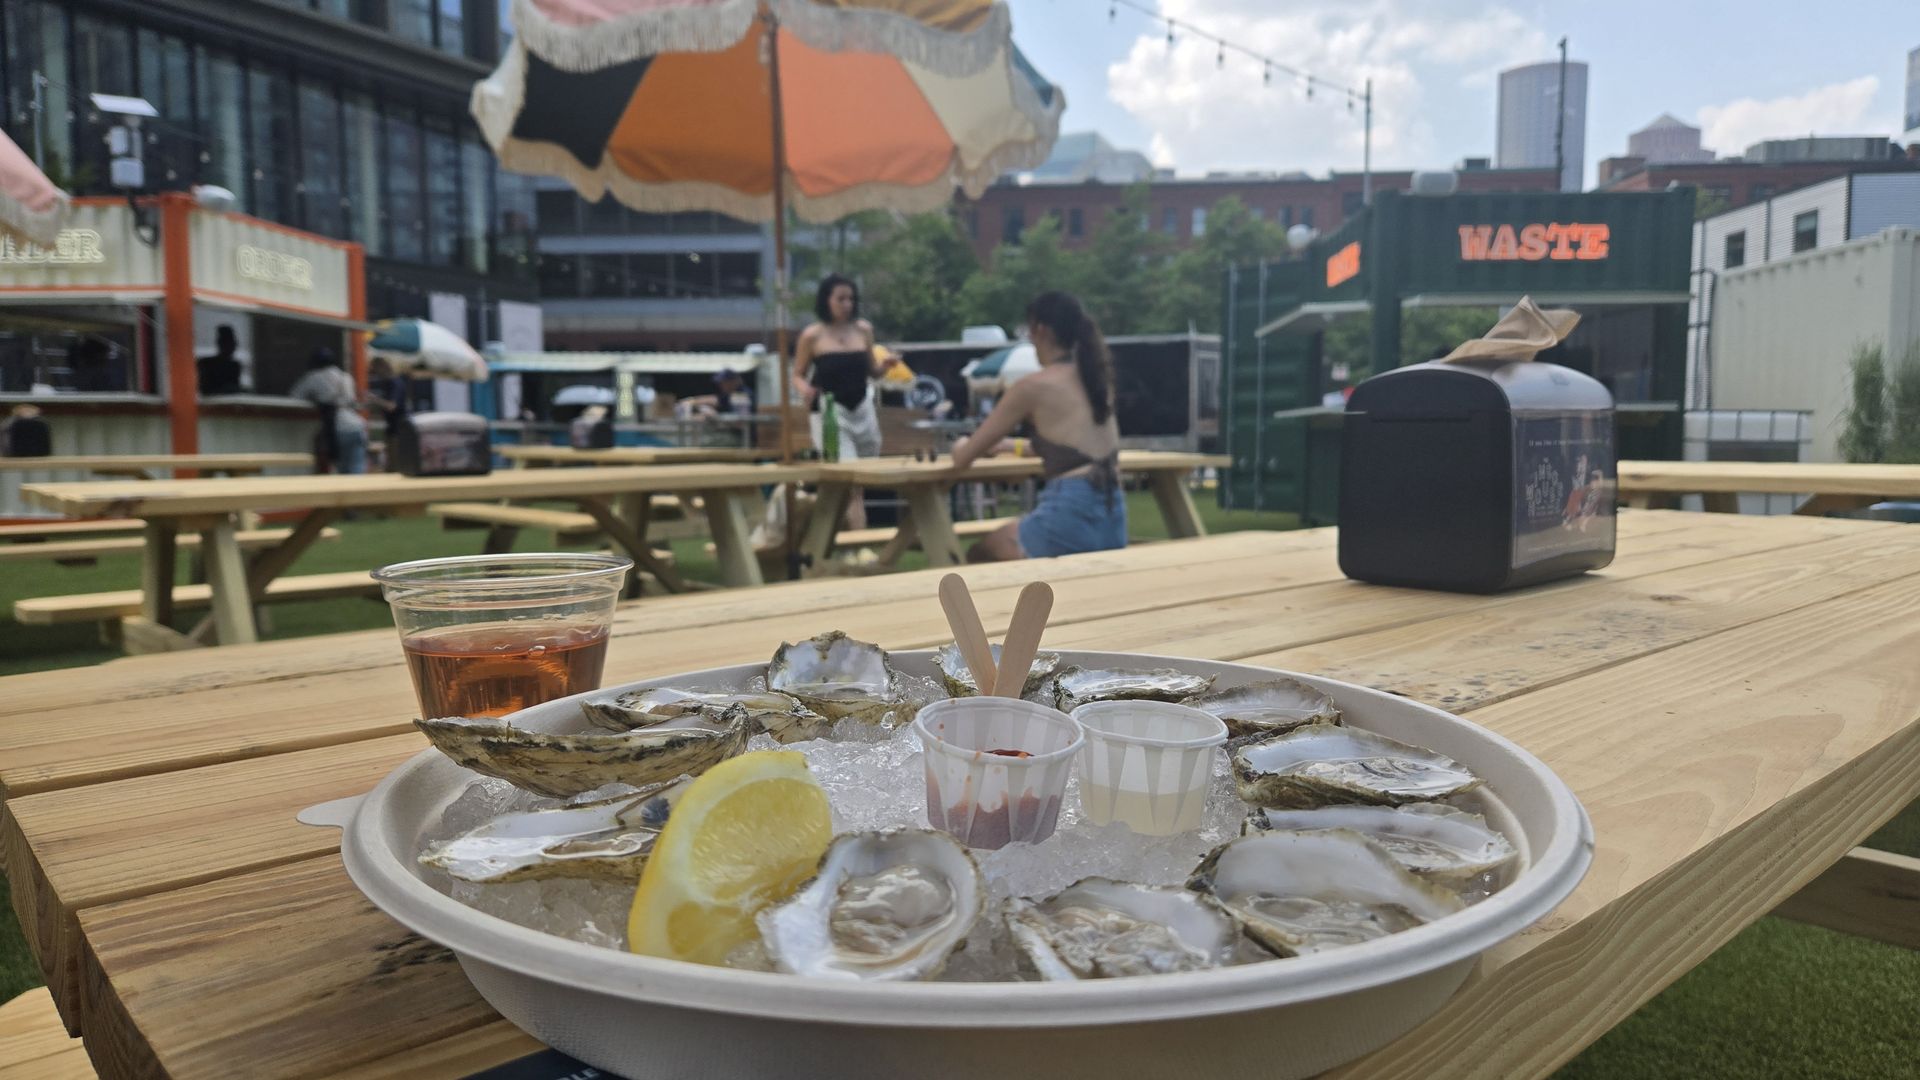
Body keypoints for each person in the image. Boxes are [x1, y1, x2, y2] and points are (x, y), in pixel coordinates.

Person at [951, 291, 1125, 562]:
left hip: (1070, 508)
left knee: (983, 552)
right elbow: (1075, 449)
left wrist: (959, 444)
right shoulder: (1097, 380)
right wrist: (1011, 445)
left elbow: (963, 458)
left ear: (1039, 330)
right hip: (1113, 507)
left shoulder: (1032, 387)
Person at [793, 274, 899, 529]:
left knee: (861, 479)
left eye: (851, 299)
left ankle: (832, 533)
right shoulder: (812, 336)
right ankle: (857, 541)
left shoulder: (863, 330)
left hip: (862, 409)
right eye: (840, 299)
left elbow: (872, 371)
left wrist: (885, 366)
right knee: (851, 481)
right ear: (826, 300)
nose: (847, 304)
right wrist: (805, 389)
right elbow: (797, 374)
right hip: (830, 413)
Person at [288, 347, 368, 474]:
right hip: (357, 425)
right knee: (356, 470)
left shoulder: (313, 377)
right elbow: (352, 400)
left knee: (340, 471)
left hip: (336, 426)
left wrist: (315, 399)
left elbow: (294, 396)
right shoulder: (345, 376)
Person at [197, 325, 244, 397]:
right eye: (228, 343)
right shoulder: (206, 364)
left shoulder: (235, 366)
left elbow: (235, 388)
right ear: (220, 344)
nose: (233, 347)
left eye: (233, 343)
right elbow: (204, 389)